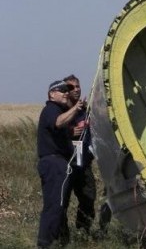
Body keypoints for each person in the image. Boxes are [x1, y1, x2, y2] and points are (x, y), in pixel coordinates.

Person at [37, 80, 84, 248]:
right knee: (55, 205)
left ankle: (56, 241)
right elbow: (58, 122)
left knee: (56, 204)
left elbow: (59, 130)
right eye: (61, 90)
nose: (66, 92)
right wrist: (76, 108)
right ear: (51, 94)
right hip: (54, 163)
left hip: (56, 163)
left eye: (67, 90)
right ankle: (46, 243)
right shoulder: (51, 109)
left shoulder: (57, 110)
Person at [63, 74, 97, 236]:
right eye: (71, 87)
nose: (76, 90)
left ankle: (83, 231)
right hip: (66, 164)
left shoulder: (85, 110)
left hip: (83, 163)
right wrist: (70, 132)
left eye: (78, 86)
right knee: (62, 201)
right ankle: (62, 235)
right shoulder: (62, 111)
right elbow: (52, 130)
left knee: (89, 198)